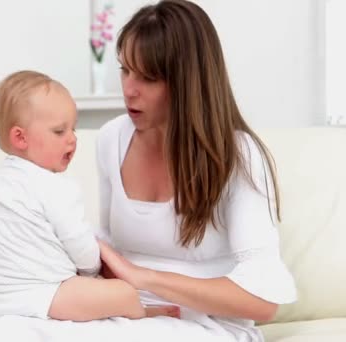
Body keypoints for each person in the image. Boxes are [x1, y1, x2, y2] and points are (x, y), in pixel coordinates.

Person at [93, 0, 297, 340]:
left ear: (187, 83)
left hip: (205, 325)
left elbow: (263, 302)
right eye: (125, 70)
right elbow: (110, 248)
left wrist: (144, 278)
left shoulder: (238, 155)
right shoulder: (111, 138)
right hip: (128, 314)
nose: (129, 89)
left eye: (148, 77)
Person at [0, 70, 180, 322]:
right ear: (20, 137)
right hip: (45, 292)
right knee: (123, 292)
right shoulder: (55, 186)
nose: (72, 140)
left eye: (73, 129)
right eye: (59, 131)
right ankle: (141, 312)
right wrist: (94, 270)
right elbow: (81, 247)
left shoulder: (3, 180)